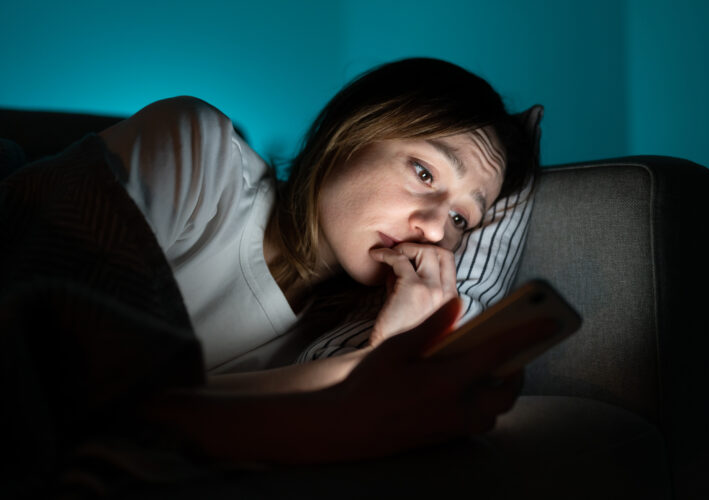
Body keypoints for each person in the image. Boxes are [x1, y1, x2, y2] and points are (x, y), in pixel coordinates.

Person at [99, 58, 537, 464]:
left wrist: (385, 353)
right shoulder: (198, 153)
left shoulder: (334, 336)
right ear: (354, 131)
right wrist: (363, 377)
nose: (437, 230)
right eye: (425, 173)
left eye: (461, 217)